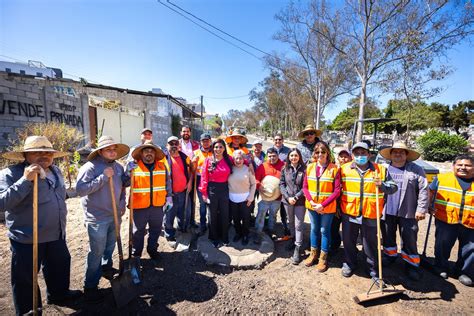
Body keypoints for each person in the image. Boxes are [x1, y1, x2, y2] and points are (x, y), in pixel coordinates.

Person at [0, 136, 81, 315]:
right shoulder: (10, 174)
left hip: (57, 232)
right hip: (28, 237)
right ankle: (29, 310)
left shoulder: (56, 170)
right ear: (25, 154)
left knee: (59, 264)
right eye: (37, 152)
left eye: (48, 152)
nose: (44, 156)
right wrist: (25, 180)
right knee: (25, 278)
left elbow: (59, 196)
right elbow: (2, 203)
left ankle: (58, 295)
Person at [76, 135, 129, 302]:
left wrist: (122, 204)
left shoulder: (119, 167)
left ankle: (106, 267)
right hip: (97, 217)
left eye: (114, 149)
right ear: (100, 151)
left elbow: (122, 188)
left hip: (115, 215)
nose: (112, 152)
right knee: (96, 251)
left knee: (110, 245)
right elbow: (81, 190)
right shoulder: (90, 167)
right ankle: (90, 285)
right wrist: (103, 177)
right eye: (108, 149)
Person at [340, 142, 397, 282]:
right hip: (349, 212)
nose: (360, 156)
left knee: (370, 243)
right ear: (352, 155)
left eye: (363, 153)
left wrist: (382, 185)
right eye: (357, 153)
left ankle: (372, 269)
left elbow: (393, 187)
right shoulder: (343, 169)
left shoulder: (380, 170)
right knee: (348, 240)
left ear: (369, 154)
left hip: (371, 213)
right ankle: (349, 263)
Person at [379, 142, 428, 281]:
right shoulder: (384, 169)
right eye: (395, 152)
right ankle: (390, 256)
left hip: (409, 210)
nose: (398, 154)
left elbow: (424, 189)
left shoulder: (416, 169)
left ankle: (411, 264)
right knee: (387, 235)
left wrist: (421, 209)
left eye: (402, 152)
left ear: (406, 154)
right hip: (387, 210)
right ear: (391, 154)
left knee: (409, 237)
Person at [429, 154, 473, 286]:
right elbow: (430, 192)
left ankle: (463, 271)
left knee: (470, 249)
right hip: (446, 219)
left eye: (467, 165)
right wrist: (429, 206)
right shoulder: (442, 178)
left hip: (471, 222)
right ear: (454, 166)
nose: (463, 168)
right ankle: (440, 266)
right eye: (459, 165)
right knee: (442, 244)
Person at [126, 140, 171, 261]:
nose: (149, 153)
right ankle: (136, 254)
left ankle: (152, 250)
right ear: (141, 154)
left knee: (155, 229)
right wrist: (127, 172)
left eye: (152, 151)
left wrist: (169, 197)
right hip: (139, 206)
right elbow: (124, 183)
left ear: (155, 154)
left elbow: (168, 183)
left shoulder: (162, 167)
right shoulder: (134, 167)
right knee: (138, 232)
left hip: (157, 205)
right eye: (146, 151)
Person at [303, 141, 341, 272]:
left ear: (327, 153)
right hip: (312, 206)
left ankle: (323, 258)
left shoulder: (334, 168)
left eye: (323, 152)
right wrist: (312, 202)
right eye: (317, 152)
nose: (320, 154)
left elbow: (337, 191)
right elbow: (305, 187)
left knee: (324, 231)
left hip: (327, 207)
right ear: (314, 153)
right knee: (314, 229)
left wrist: (322, 204)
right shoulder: (310, 167)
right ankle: (313, 254)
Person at [199, 138, 234, 247]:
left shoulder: (229, 159)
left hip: (224, 189)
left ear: (224, 148)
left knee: (225, 214)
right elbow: (204, 177)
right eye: (215, 147)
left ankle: (224, 237)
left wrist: (249, 163)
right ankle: (214, 237)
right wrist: (204, 193)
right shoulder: (208, 160)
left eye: (220, 147)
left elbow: (241, 160)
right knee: (212, 215)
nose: (218, 149)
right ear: (212, 148)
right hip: (212, 189)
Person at [163, 136, 193, 243]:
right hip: (170, 194)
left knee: (184, 212)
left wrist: (190, 182)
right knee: (169, 214)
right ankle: (169, 234)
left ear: (179, 145)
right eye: (171, 144)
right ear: (167, 145)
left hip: (183, 192)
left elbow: (191, 170)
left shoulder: (185, 157)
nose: (174, 146)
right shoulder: (163, 158)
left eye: (176, 143)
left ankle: (182, 228)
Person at [279, 148, 306, 264]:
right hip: (287, 201)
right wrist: (287, 197)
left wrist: (296, 197)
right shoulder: (285, 169)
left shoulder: (305, 170)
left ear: (299, 157)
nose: (293, 158)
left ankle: (298, 247)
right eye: (291, 156)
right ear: (288, 157)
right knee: (291, 222)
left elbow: (306, 187)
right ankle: (293, 239)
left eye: (296, 155)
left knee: (298, 224)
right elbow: (281, 184)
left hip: (299, 201)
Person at [254, 148, 285, 243]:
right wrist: (259, 186)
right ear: (267, 156)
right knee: (261, 214)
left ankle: (271, 230)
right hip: (264, 197)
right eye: (270, 156)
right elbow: (256, 179)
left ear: (278, 155)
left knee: (273, 215)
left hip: (277, 198)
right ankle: (258, 233)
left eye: (274, 156)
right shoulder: (262, 166)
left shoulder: (283, 166)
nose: (272, 158)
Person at [228, 150, 256, 245]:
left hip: (246, 200)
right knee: (235, 219)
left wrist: (251, 197)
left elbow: (253, 184)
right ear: (233, 159)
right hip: (232, 199)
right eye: (236, 158)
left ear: (243, 159)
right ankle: (238, 233)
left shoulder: (248, 169)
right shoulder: (230, 169)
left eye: (240, 158)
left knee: (245, 219)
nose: (238, 160)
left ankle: (245, 234)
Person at [330, 148, 352, 252]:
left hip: (349, 205)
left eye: (346, 156)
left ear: (350, 157)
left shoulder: (353, 170)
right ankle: (335, 245)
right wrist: (337, 206)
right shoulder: (334, 169)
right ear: (338, 158)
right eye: (341, 156)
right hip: (336, 205)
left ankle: (350, 249)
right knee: (333, 228)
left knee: (349, 231)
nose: (344, 159)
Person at [192, 132, 213, 235]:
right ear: (200, 142)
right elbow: (192, 169)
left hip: (212, 181)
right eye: (203, 141)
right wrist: (193, 163)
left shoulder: (214, 152)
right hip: (200, 180)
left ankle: (212, 224)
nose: (205, 143)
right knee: (203, 203)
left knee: (212, 203)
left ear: (210, 141)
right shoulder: (195, 153)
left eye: (207, 140)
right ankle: (203, 225)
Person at [179, 126, 200, 228]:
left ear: (190, 133)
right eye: (184, 131)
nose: (185, 133)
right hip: (179, 173)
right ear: (180, 133)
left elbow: (198, 157)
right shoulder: (176, 144)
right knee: (181, 198)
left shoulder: (196, 145)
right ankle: (181, 220)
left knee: (192, 198)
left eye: (187, 131)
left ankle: (191, 220)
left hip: (192, 173)